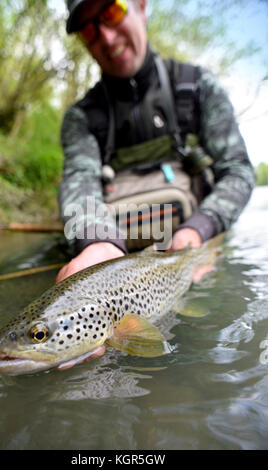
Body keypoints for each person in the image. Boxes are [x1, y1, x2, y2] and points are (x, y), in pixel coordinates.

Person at [56, 0, 255, 284]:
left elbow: (239, 171)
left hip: (200, 254)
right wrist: (97, 242)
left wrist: (200, 227)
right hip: (117, 267)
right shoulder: (81, 118)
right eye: (88, 30)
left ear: (141, 6)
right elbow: (80, 180)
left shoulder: (199, 87)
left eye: (112, 12)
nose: (106, 37)